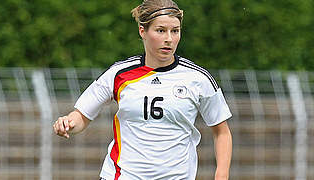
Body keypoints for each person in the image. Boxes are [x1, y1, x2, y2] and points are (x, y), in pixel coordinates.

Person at [53, 0, 232, 179]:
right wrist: (68, 123)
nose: (169, 38)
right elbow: (82, 116)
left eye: (175, 31)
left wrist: (221, 175)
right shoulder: (119, 74)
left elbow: (221, 131)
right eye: (161, 30)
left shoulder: (198, 78)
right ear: (142, 31)